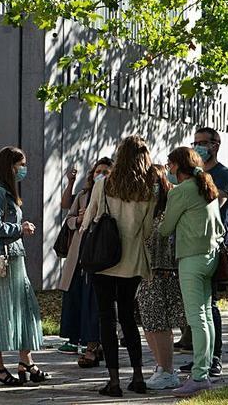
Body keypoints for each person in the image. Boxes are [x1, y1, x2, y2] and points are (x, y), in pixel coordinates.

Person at [80, 135, 156, 397]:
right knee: (128, 318)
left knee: (106, 318)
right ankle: (138, 377)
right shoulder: (148, 190)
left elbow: (89, 219)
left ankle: (113, 381)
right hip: (132, 261)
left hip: (104, 259)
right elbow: (147, 231)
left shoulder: (103, 184)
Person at [160, 147, 224, 398]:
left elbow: (165, 228)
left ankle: (199, 376)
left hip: (191, 258)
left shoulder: (182, 192)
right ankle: (203, 370)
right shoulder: (206, 186)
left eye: (170, 164)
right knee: (206, 316)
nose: (168, 169)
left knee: (196, 318)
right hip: (210, 257)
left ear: (178, 165)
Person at [0, 146, 46, 387]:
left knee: (25, 309)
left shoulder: (4, 191)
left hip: (14, 259)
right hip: (1, 261)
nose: (24, 169)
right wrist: (20, 229)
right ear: (10, 166)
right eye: (21, 164)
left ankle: (26, 361)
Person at [178, 127, 228, 377]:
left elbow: (215, 200)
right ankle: (201, 356)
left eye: (203, 143)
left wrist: (191, 184)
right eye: (195, 142)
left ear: (216, 145)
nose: (198, 146)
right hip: (190, 246)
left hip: (213, 247)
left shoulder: (224, 175)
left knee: (209, 307)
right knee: (196, 308)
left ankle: (215, 357)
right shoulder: (192, 176)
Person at [58, 157, 112, 366]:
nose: (102, 175)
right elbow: (68, 217)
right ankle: (84, 343)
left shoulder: (115, 196)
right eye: (99, 171)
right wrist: (79, 219)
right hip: (80, 253)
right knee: (78, 298)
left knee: (95, 302)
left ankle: (93, 347)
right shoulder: (83, 195)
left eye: (106, 172)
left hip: (102, 255)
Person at [137, 165, 186, 390]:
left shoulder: (171, 208)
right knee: (149, 322)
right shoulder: (146, 209)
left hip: (164, 272)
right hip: (147, 273)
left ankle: (167, 369)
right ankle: (160, 367)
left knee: (160, 323)